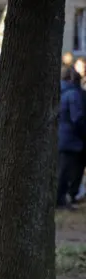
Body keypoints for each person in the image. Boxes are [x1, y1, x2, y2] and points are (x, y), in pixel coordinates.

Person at [58, 66, 86, 209]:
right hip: (72, 140)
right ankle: (62, 200)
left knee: (61, 171)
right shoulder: (74, 94)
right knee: (68, 172)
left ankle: (60, 199)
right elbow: (77, 118)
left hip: (60, 137)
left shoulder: (58, 91)